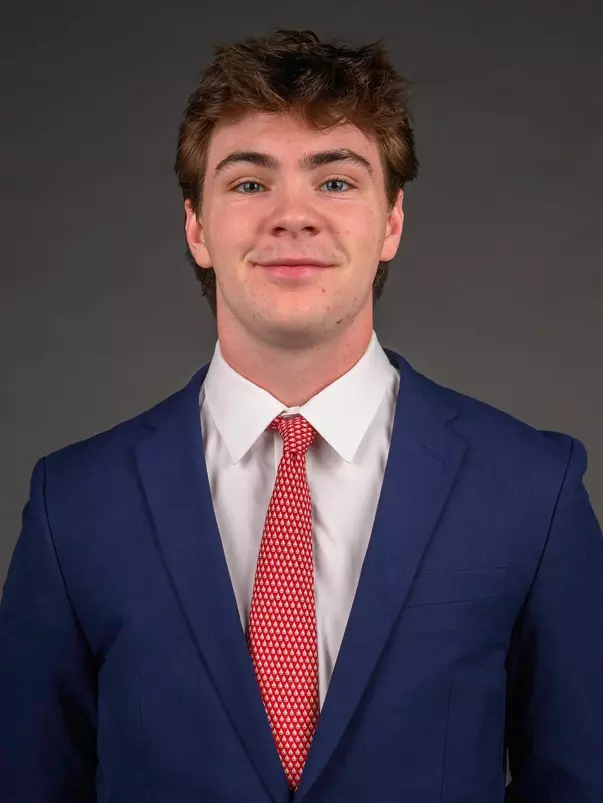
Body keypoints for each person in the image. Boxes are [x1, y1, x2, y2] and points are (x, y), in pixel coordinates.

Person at [1, 27, 602, 803]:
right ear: (196, 226)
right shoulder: (74, 503)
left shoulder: (532, 489)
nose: (293, 215)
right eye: (250, 183)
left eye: (336, 181)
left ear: (391, 222)